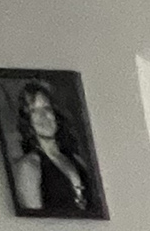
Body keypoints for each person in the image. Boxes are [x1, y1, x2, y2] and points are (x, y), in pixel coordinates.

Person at [11, 81, 95, 215]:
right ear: (27, 120)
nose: (43, 116)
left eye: (47, 108)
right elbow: (35, 222)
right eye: (34, 111)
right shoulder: (28, 166)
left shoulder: (77, 160)